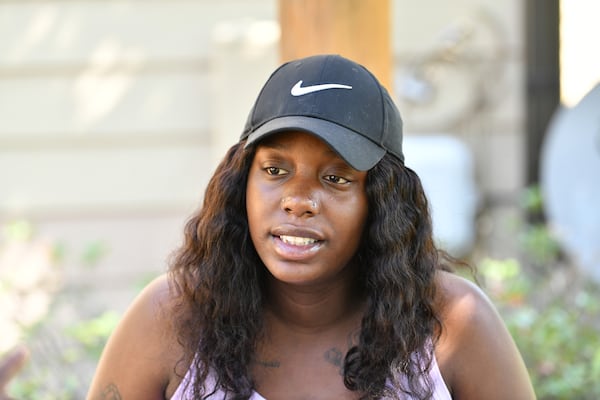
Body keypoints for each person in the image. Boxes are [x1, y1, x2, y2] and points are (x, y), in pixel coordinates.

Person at [86, 54, 536, 400]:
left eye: (336, 178)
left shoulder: (451, 324)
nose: (298, 201)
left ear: (380, 201)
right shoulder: (172, 317)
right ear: (240, 182)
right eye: (275, 170)